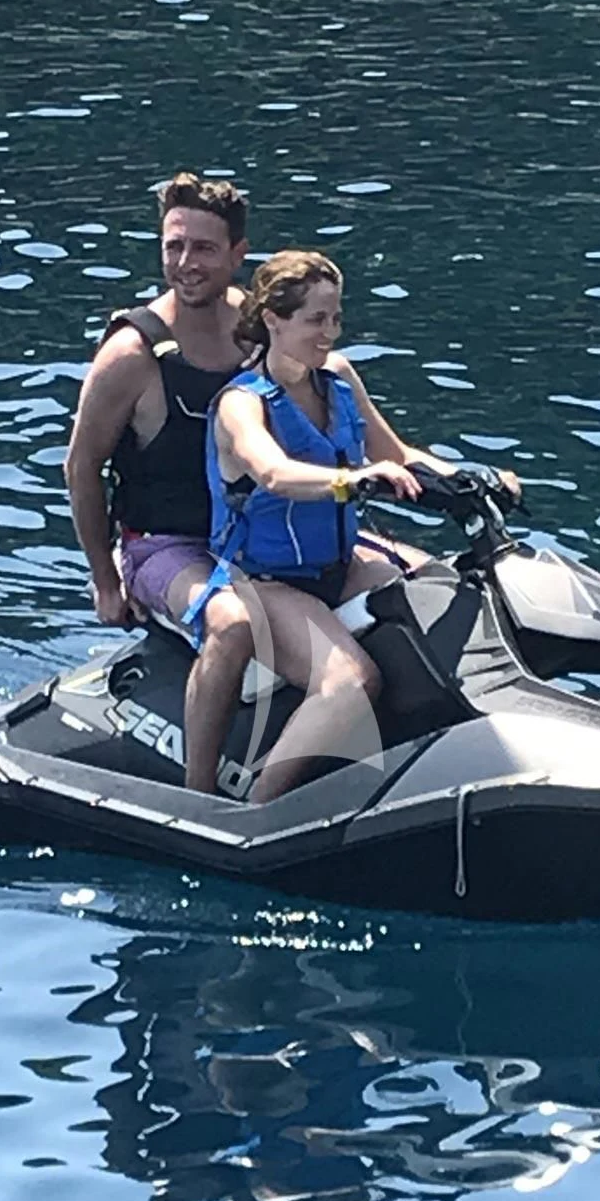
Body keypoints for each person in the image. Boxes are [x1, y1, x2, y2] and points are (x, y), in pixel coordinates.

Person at [201, 249, 477, 803]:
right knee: (351, 682)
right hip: (265, 582)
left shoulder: (338, 378)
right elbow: (274, 473)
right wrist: (351, 480)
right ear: (274, 320)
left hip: (338, 565)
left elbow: (395, 454)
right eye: (316, 320)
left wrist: (474, 479)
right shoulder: (241, 404)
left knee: (445, 591)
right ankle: (256, 809)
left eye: (336, 318)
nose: (330, 332)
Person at [64, 171, 261, 796]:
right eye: (173, 246)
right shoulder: (132, 355)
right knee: (232, 625)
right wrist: (105, 580)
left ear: (237, 253)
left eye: (203, 248)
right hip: (163, 547)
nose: (185, 263)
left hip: (253, 538)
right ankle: (200, 796)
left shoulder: (259, 330)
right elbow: (81, 467)